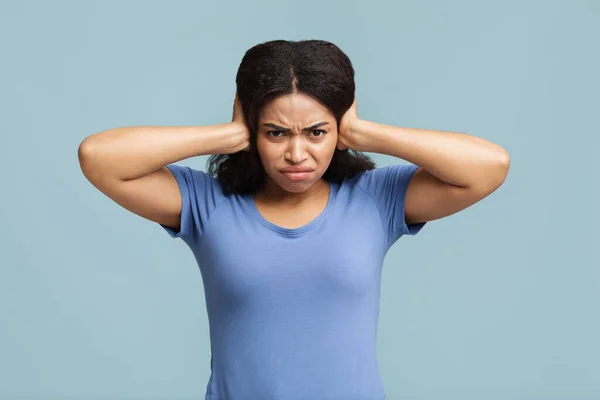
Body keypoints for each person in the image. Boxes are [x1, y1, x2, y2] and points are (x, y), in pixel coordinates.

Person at [78, 39, 510, 400]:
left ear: (338, 130)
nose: (297, 154)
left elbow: (489, 166)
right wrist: (227, 135)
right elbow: (99, 158)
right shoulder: (206, 202)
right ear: (254, 130)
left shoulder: (376, 198)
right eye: (276, 133)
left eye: (316, 132)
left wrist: (365, 133)